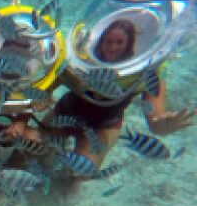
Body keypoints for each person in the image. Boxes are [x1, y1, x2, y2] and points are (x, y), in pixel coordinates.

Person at [42, 18, 195, 177]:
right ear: (100, 40)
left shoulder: (145, 71)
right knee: (28, 154)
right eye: (108, 41)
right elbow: (44, 88)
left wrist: (162, 125)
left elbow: (155, 119)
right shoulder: (80, 56)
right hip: (66, 112)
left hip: (104, 125)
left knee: (80, 174)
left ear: (129, 43)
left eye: (120, 42)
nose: (113, 47)